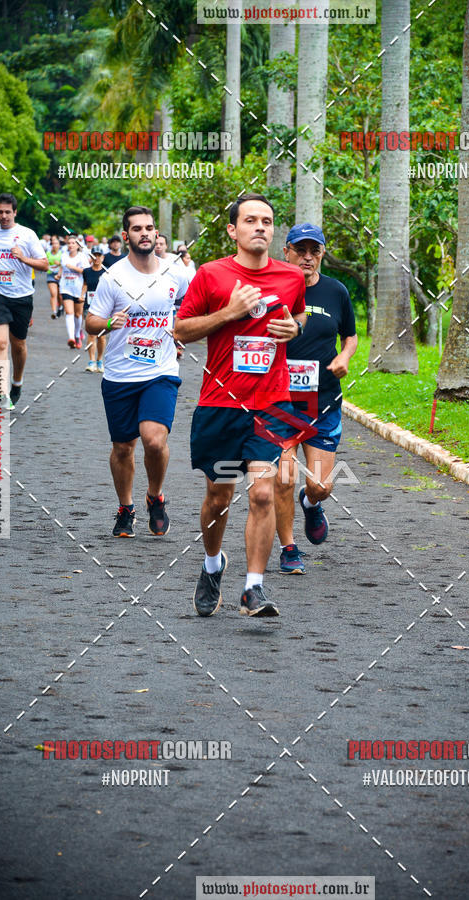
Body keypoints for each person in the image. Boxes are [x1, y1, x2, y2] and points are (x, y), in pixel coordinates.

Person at [175, 193, 306, 618]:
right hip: (220, 403)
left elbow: (298, 317)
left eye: (267, 221)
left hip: (272, 403)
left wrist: (293, 328)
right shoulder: (212, 275)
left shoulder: (290, 277)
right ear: (233, 229)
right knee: (218, 497)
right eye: (251, 220)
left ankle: (254, 588)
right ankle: (213, 565)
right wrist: (230, 312)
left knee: (264, 493)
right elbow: (182, 329)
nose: (260, 227)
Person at [86, 206, 190, 538]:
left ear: (157, 234)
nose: (144, 233)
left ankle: (155, 498)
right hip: (119, 374)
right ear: (126, 235)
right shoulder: (112, 277)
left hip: (160, 371)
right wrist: (106, 323)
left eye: (149, 228)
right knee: (123, 447)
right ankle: (126, 507)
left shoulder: (175, 272)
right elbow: (90, 322)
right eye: (136, 229)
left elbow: (189, 306)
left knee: (154, 440)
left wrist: (179, 331)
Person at [274, 223, 358, 574]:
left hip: (322, 400)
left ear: (322, 252)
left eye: (315, 250)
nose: (307, 257)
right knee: (283, 477)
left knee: (320, 485)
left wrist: (344, 358)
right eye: (300, 250)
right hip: (279, 399)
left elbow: (350, 336)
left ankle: (310, 504)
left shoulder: (335, 290)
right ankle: (289, 548)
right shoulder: (274, 288)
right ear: (287, 251)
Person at [0, 193, 48, 407]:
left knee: (18, 345)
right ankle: (1, 393)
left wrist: (23, 258)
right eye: (0, 212)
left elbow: (44, 264)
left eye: (7, 212)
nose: (4, 216)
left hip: (21, 296)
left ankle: (17, 382)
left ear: (15, 212)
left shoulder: (27, 234)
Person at [58, 234, 90, 348]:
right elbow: (62, 267)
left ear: (78, 245)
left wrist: (73, 267)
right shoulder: (64, 255)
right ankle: (71, 337)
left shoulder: (82, 257)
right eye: (69, 243)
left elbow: (86, 272)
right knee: (69, 312)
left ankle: (77, 335)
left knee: (78, 314)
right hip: (65, 288)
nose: (71, 245)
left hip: (79, 288)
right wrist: (59, 274)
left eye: (73, 243)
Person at [80, 245, 106, 373]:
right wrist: (81, 295)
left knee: (101, 336)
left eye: (99, 255)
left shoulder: (107, 273)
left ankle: (100, 360)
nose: (96, 258)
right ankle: (91, 361)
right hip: (89, 306)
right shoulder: (86, 271)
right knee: (91, 333)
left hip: (104, 308)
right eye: (94, 255)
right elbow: (85, 284)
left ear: (103, 257)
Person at [45, 235, 63, 319]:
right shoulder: (48, 253)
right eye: (53, 243)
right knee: (53, 293)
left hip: (61, 275)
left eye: (56, 243)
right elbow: (44, 263)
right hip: (51, 275)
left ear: (59, 245)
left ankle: (60, 307)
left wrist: (59, 264)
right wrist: (47, 265)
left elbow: (65, 265)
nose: (55, 245)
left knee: (60, 295)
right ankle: (54, 312)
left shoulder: (62, 253)